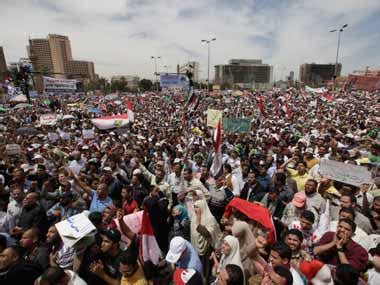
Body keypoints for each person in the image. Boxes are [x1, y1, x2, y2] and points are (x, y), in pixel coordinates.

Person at [191, 199, 222, 280]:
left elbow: (208, 233)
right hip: (196, 248)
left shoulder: (210, 219)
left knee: (206, 271)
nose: (195, 209)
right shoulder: (193, 218)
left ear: (202, 207)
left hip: (207, 250)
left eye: (197, 207)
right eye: (194, 207)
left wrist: (198, 222)